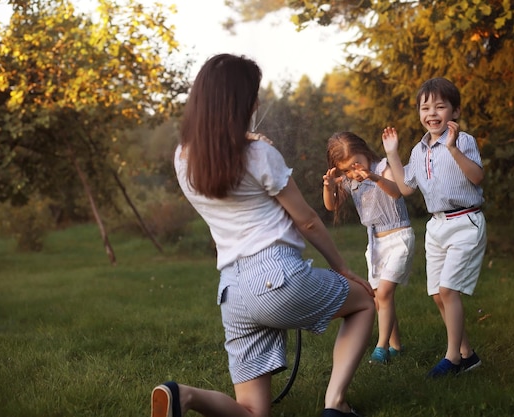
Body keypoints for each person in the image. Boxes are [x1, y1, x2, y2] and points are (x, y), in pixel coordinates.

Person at [151, 53, 375, 417]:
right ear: (238, 101)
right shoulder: (258, 153)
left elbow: (226, 166)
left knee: (252, 411)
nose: (257, 102)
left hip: (233, 293)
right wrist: (343, 268)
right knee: (365, 302)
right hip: (276, 277)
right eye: (253, 94)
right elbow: (308, 221)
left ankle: (183, 396)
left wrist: (249, 140)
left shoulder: (183, 157)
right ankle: (336, 404)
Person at [381, 77, 487, 378]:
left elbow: (477, 177)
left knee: (448, 289)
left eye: (440, 107)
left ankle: (452, 358)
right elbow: (405, 187)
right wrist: (392, 152)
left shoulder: (463, 140)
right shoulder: (418, 150)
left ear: (454, 112)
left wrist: (452, 148)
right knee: (438, 295)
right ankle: (467, 354)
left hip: (465, 221)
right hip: (437, 226)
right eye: (425, 107)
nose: (432, 113)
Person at [323, 132, 415, 364]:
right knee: (379, 297)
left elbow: (396, 191)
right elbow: (330, 205)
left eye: (356, 166)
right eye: (347, 171)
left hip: (399, 237)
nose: (354, 173)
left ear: (364, 152)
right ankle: (395, 345)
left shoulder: (382, 168)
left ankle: (381, 347)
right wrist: (329, 186)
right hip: (375, 243)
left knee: (384, 293)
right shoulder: (351, 180)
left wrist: (373, 176)